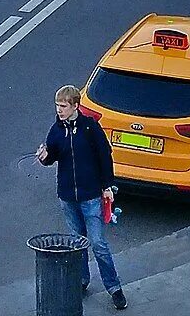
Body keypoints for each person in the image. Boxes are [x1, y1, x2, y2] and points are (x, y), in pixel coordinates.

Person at [39, 85, 127, 309]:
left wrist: (107, 185)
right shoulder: (56, 131)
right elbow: (51, 156)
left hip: (90, 196)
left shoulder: (90, 128)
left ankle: (114, 287)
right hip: (68, 196)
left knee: (97, 243)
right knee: (77, 243)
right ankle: (82, 280)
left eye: (63, 106)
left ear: (75, 106)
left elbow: (104, 155)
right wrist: (44, 157)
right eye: (57, 106)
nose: (59, 110)